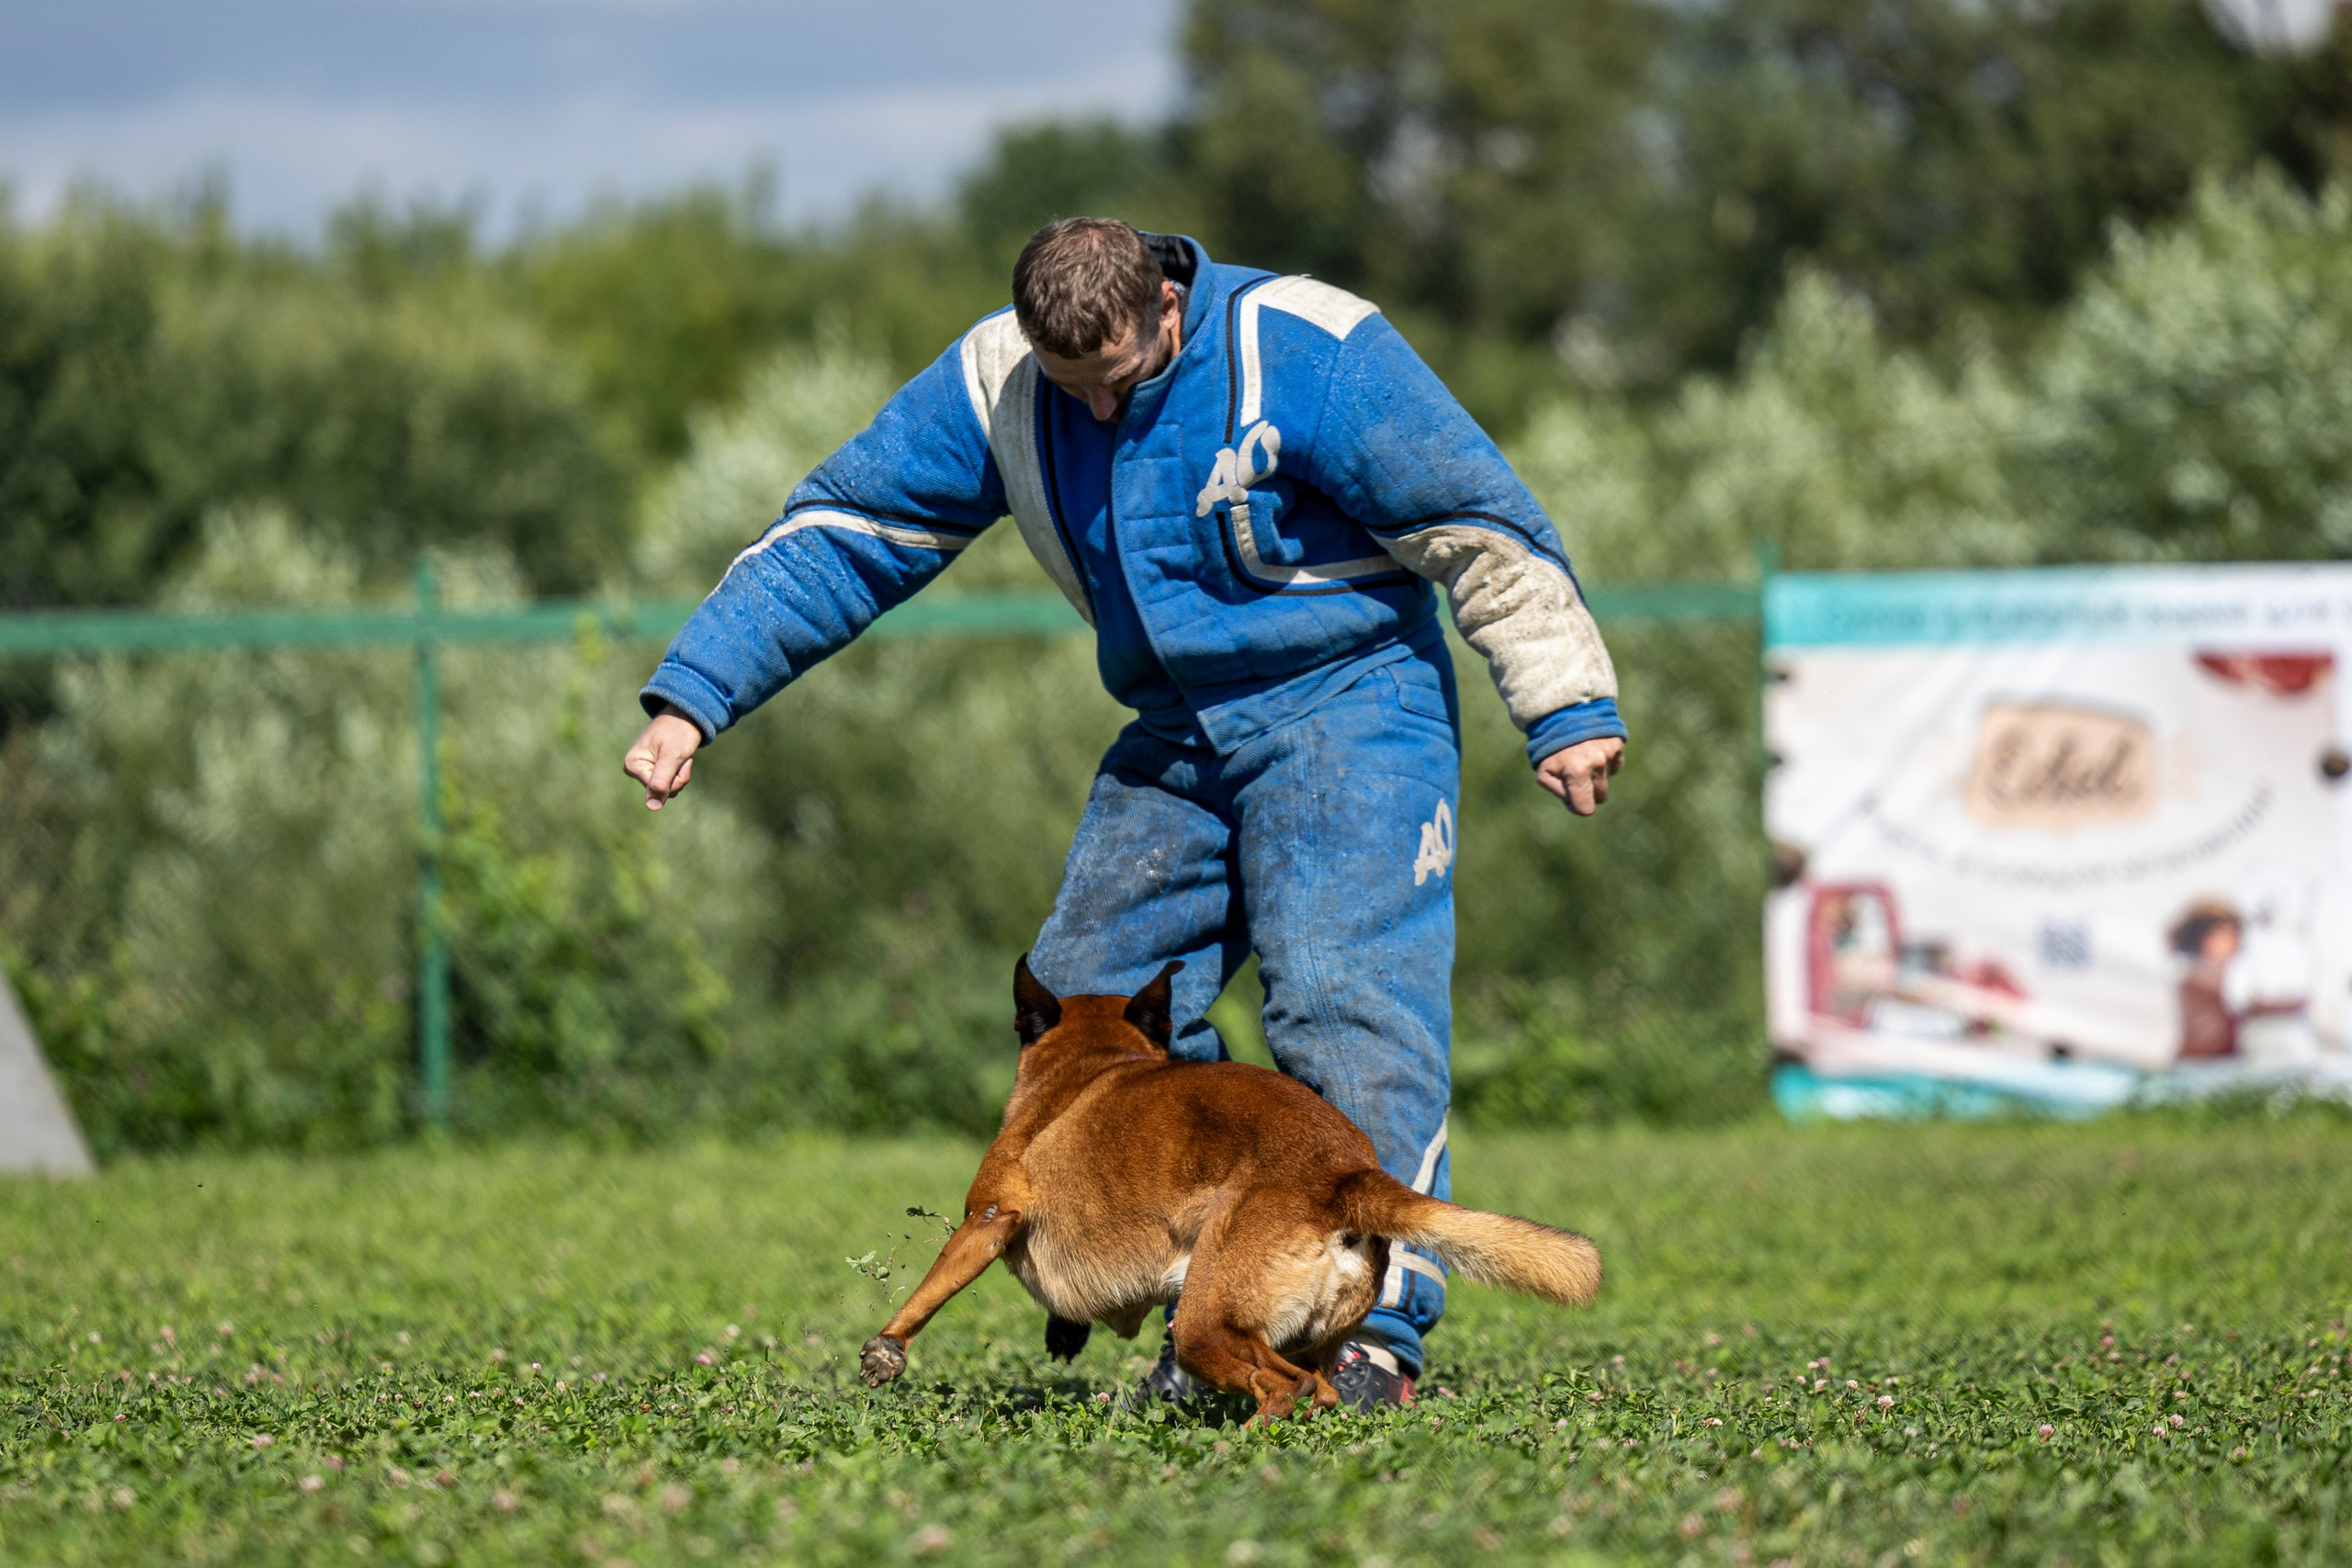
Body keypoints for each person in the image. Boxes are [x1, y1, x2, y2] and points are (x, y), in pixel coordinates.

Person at [623, 219, 1626, 1405]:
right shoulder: (1002, 379)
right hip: (1177, 732)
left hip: (1353, 709)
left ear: (1164, 304)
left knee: (1346, 1007)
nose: (1095, 414)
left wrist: (1565, 702)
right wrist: (693, 697)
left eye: (1118, 384)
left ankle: (1368, 1337)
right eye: (1069, 390)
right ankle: (1214, 1297)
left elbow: (1479, 518)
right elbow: (846, 534)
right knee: (1085, 998)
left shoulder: (1308, 347)